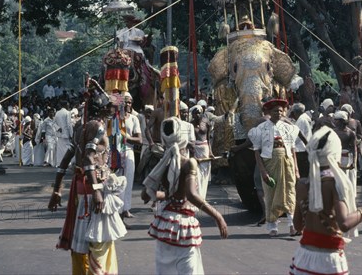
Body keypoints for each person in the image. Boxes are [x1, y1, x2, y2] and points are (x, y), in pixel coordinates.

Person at [289, 127, 362, 275]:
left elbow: (298, 225)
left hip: (303, 257)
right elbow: (344, 224)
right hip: (328, 260)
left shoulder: (303, 184)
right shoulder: (333, 182)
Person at [48, 94, 127, 275]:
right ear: (104, 108)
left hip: (81, 189)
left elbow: (66, 160)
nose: (116, 110)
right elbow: (89, 158)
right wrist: (97, 190)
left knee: (81, 237)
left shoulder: (79, 127)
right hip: (92, 189)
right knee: (98, 238)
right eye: (114, 106)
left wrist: (57, 191)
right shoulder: (98, 127)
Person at [141, 117, 228, 275]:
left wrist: (167, 194)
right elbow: (192, 195)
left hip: (165, 223)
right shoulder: (188, 163)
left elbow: (146, 195)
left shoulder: (163, 161)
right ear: (184, 136)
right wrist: (217, 215)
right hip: (182, 226)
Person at [250, 98, 301, 236]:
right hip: (269, 162)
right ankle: (272, 225)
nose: (278, 113)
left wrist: (296, 168)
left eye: (280, 110)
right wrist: (262, 170)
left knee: (290, 191)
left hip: (287, 161)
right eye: (275, 111)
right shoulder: (260, 129)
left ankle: (292, 224)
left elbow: (293, 148)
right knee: (270, 193)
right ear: (269, 112)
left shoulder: (288, 128)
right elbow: (257, 151)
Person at [189, 105, 213, 199]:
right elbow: (190, 141)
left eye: (199, 112)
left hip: (205, 150)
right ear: (192, 114)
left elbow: (209, 138)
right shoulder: (190, 124)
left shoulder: (206, 122)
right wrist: (192, 154)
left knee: (205, 173)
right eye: (196, 113)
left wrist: (210, 152)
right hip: (195, 150)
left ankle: (202, 196)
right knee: (197, 173)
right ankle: (197, 196)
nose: (198, 114)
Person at [291, 102, 312, 177]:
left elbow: (297, 137)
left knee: (302, 174)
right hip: (303, 150)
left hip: (301, 151)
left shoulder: (301, 120)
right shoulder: (304, 118)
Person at [54, 100, 74, 167]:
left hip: (59, 134)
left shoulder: (57, 113)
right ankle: (67, 163)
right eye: (68, 104)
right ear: (65, 105)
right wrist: (71, 134)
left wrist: (58, 128)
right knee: (67, 148)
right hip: (66, 133)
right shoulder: (67, 113)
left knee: (59, 149)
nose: (68, 106)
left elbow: (54, 123)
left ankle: (59, 163)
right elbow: (69, 124)